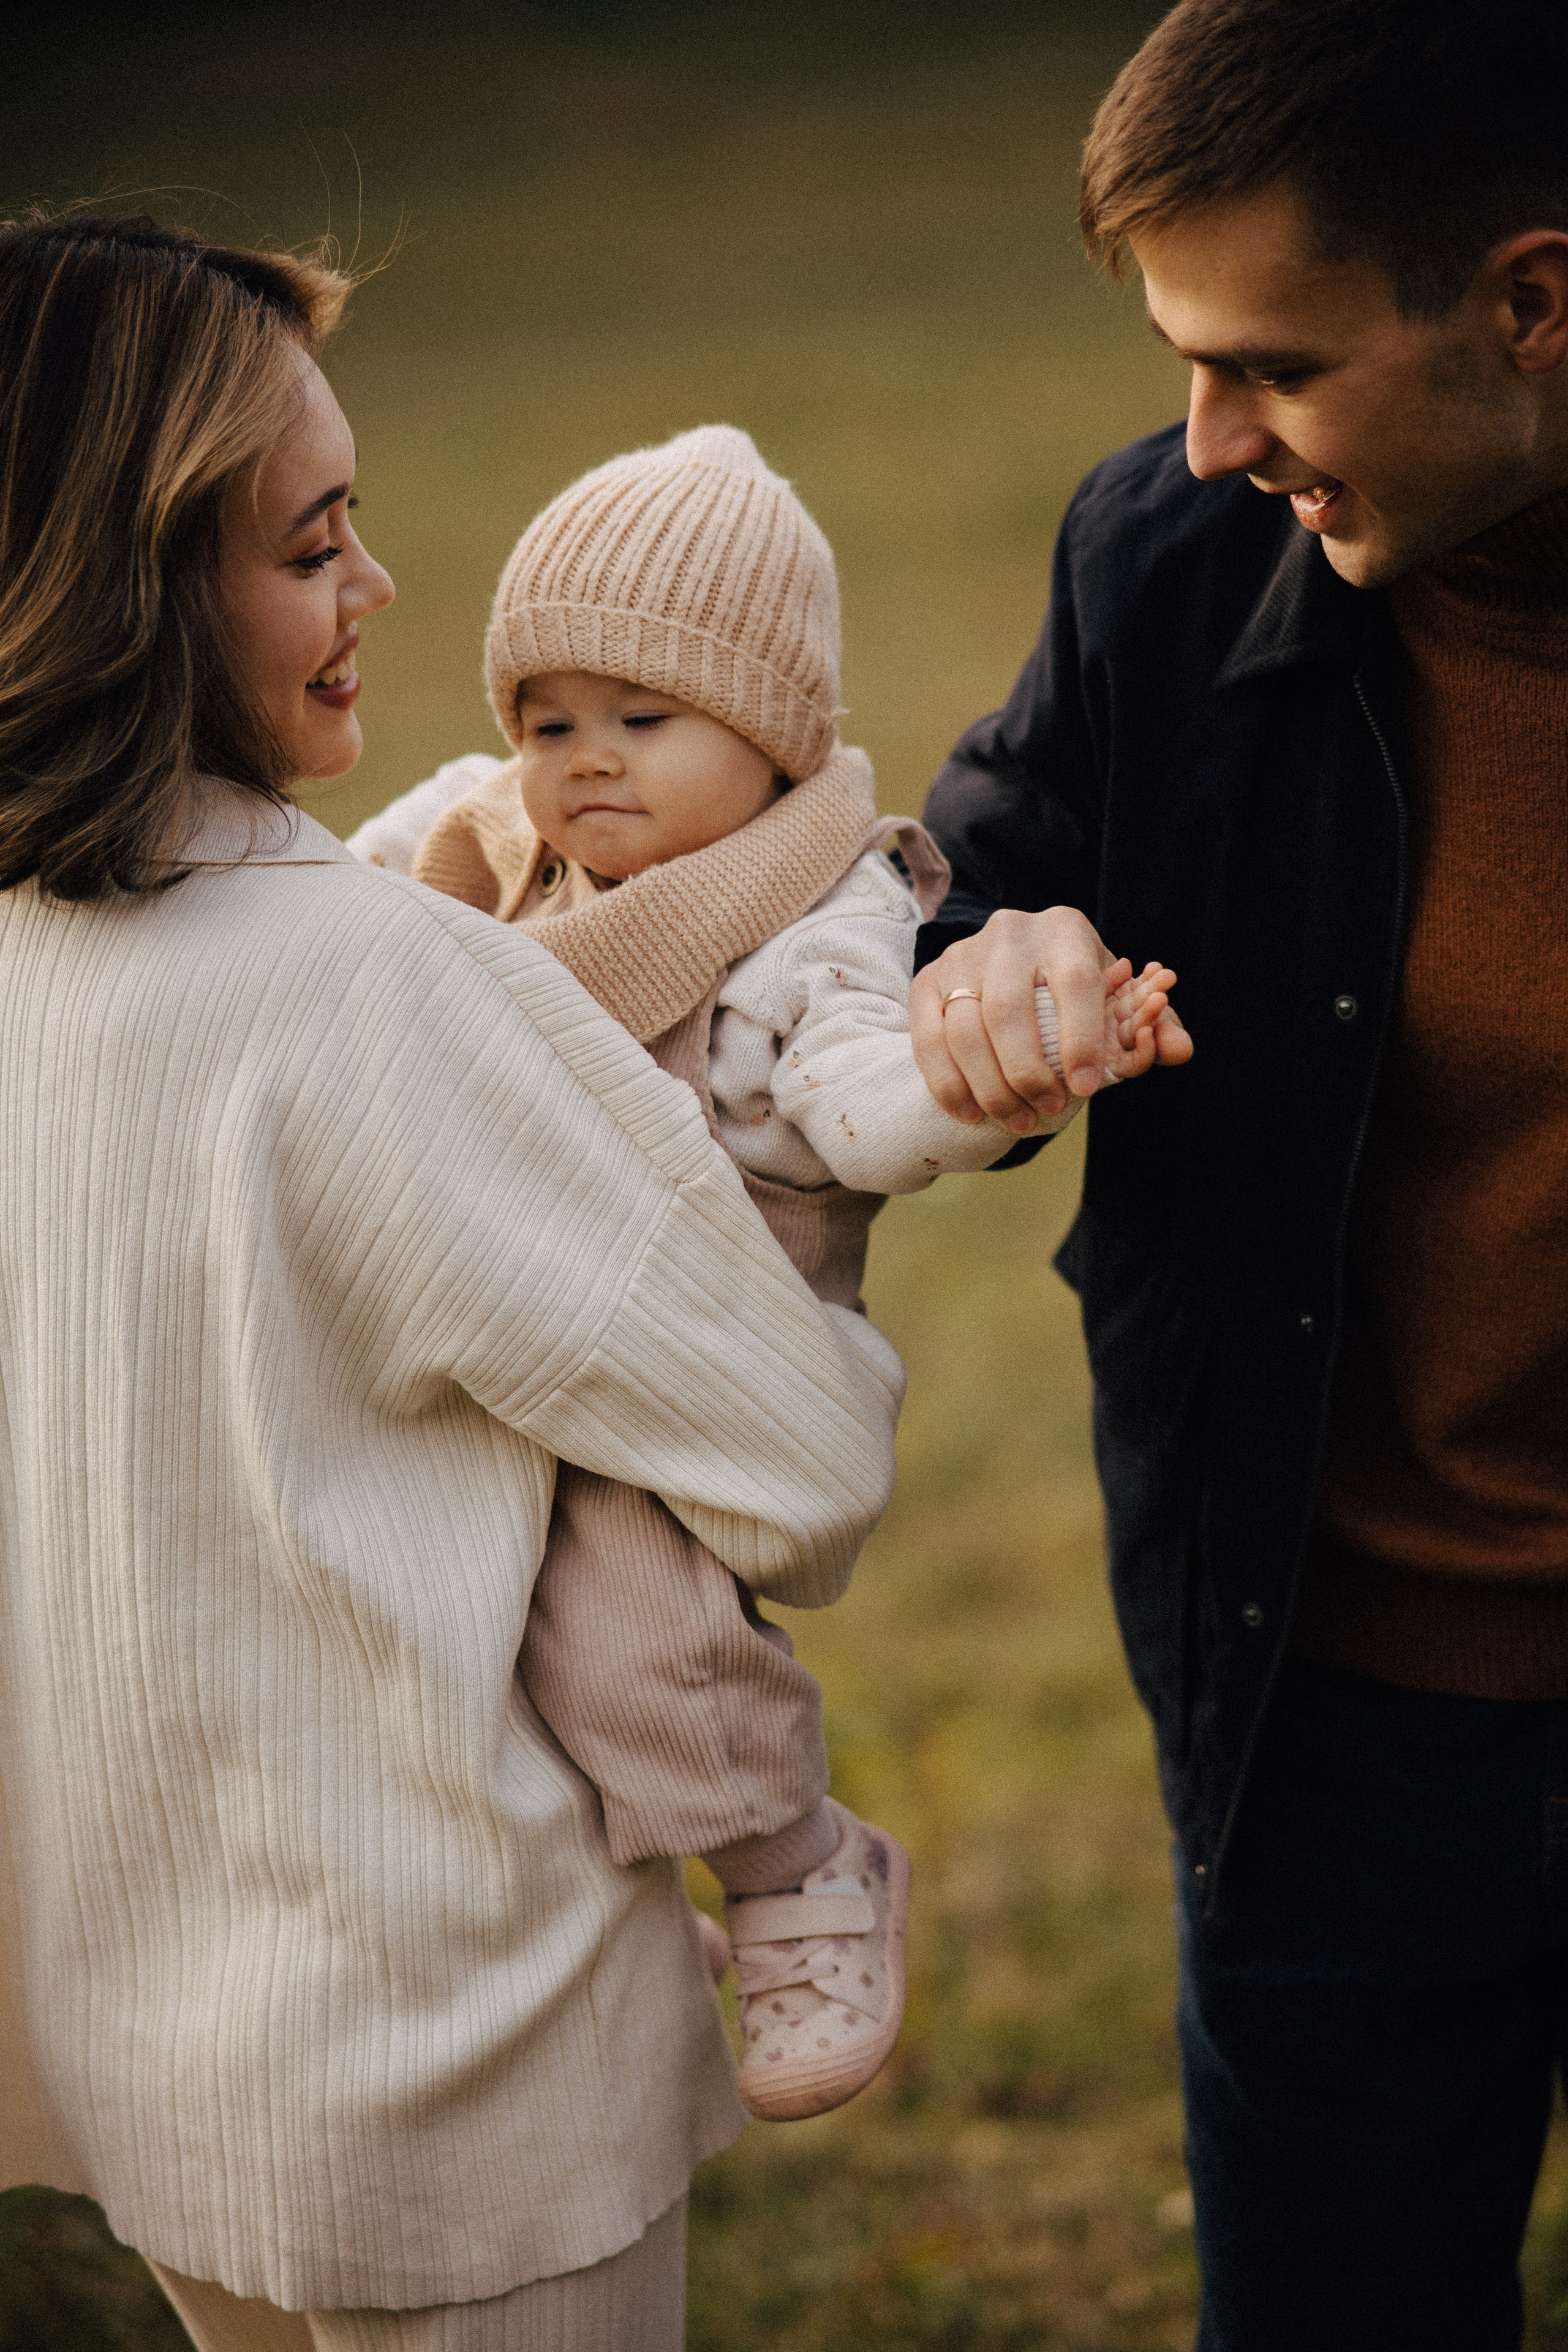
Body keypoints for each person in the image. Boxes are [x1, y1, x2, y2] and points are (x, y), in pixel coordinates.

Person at [0, 214, 908, 2352]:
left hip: (139, 2017)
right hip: (451, 2044)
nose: (375, 592)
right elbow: (798, 1463)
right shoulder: (379, 985)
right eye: (313, 544)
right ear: (141, 583)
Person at [908, 2, 1568, 2344]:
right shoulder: (1162, 565)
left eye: (1270, 363)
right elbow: (964, 886)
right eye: (1184, 362)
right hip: (1326, 1716)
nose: (1208, 439)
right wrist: (989, 962)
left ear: (1531, 300)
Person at [349, 424, 1176, 2124]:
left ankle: (795, 1861)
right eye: (548, 719)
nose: (584, 763)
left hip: (701, 1347)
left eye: (642, 721)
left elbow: (859, 1104)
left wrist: (970, 1088)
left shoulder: (820, 919)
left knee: (631, 1629)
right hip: (509, 1306)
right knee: (453, 1621)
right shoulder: (489, 840)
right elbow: (325, 919)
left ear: (776, 732)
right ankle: (595, 1901)